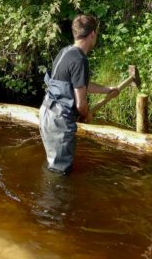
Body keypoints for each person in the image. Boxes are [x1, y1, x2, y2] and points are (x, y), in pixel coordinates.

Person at [39, 14, 120, 174]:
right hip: (59, 120)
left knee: (54, 164)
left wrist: (106, 90)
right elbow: (80, 103)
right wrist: (87, 115)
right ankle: (52, 198)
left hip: (47, 112)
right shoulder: (80, 60)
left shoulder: (65, 52)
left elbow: (79, 85)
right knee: (59, 172)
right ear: (92, 34)